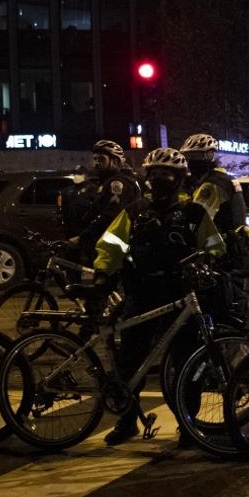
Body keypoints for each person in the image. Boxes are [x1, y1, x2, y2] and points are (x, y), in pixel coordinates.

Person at [93, 147, 226, 444]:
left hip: (181, 297)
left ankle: (188, 426)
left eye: (168, 174)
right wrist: (103, 272)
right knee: (130, 362)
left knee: (187, 366)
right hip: (141, 295)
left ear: (179, 179)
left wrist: (205, 260)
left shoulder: (194, 212)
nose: (161, 180)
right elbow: (111, 245)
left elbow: (215, 246)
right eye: (155, 174)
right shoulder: (135, 211)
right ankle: (128, 422)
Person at [60, 139, 142, 262]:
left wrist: (82, 237)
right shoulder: (107, 182)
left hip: (116, 248)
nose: (97, 163)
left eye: (102, 159)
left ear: (115, 161)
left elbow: (109, 215)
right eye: (95, 159)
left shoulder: (118, 182)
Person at [180, 132, 249, 256]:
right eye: (189, 156)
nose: (191, 161)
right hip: (235, 243)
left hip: (221, 249)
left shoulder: (212, 185)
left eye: (195, 156)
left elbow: (197, 218)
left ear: (209, 155)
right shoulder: (222, 178)